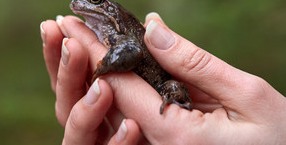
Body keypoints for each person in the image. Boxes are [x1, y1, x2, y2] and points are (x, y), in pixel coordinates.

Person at [40, 12, 286, 144]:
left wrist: (104, 66)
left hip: (161, 84)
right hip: (143, 108)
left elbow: (133, 51)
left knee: (174, 89)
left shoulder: (119, 34)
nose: (85, 4)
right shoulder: (111, 37)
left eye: (95, 0)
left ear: (110, 11)